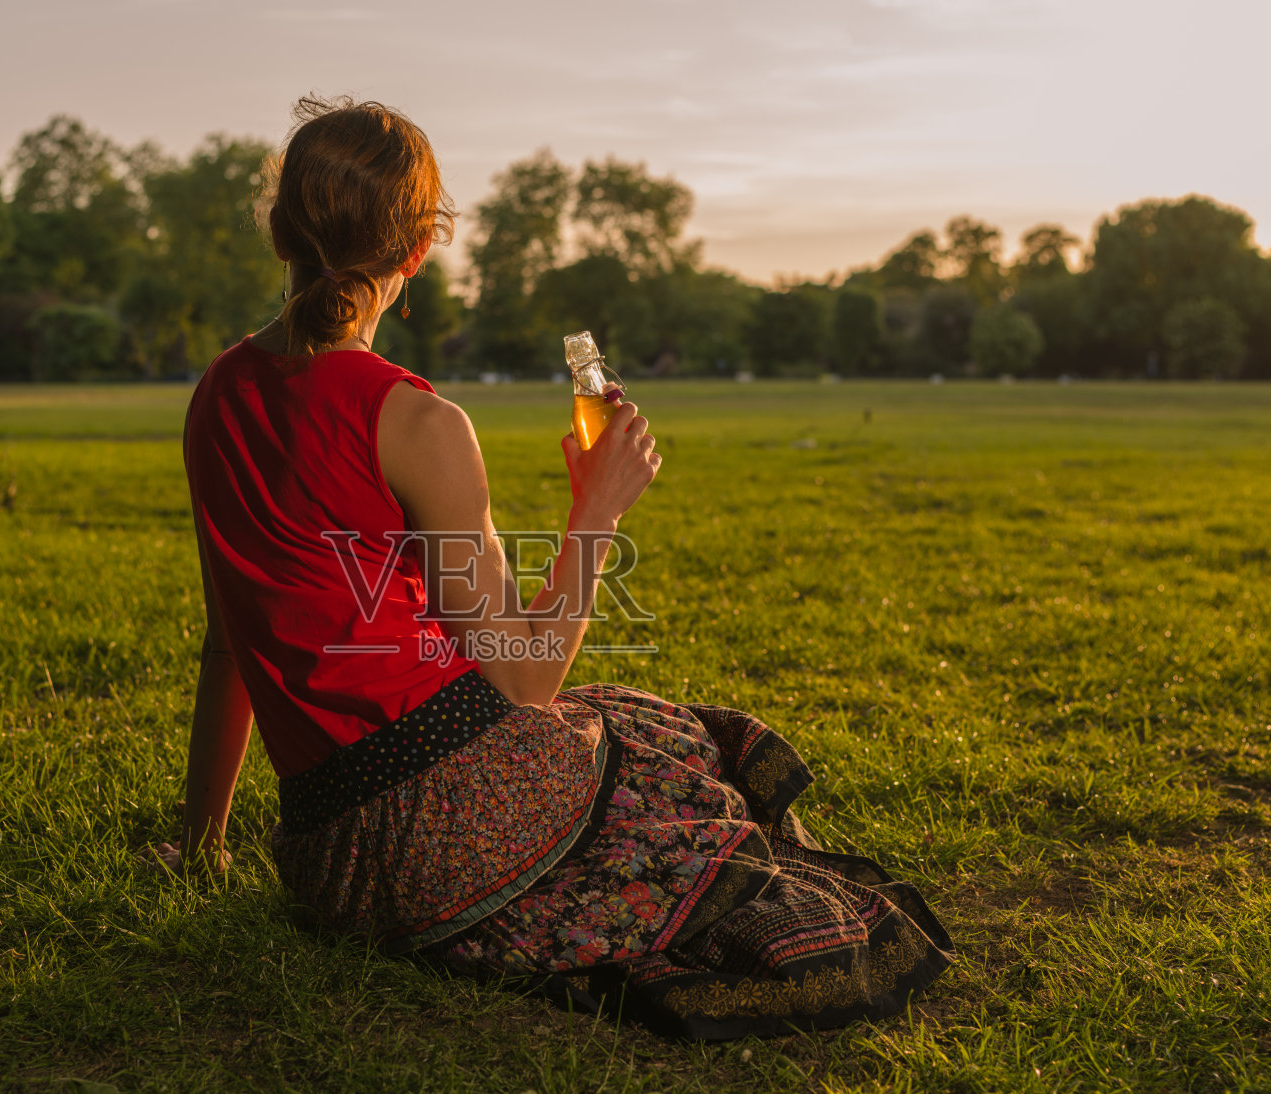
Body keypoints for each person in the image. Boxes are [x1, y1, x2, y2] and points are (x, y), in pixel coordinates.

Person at [157, 96, 952, 1038]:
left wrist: (201, 845)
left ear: (282, 230)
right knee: (684, 751)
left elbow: (228, 647)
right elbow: (525, 680)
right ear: (419, 250)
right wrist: (596, 511)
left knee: (625, 723)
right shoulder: (415, 420)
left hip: (330, 859)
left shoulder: (217, 393)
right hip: (446, 835)